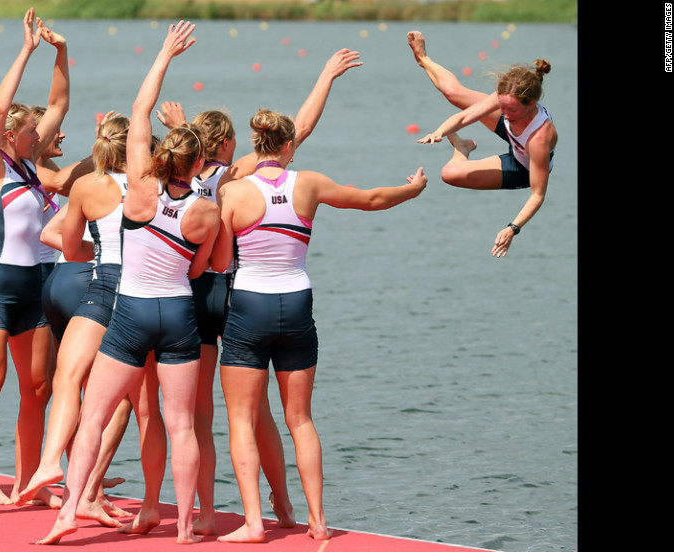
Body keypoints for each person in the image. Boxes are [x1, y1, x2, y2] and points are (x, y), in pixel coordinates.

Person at [154, 47, 364, 534]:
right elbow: (298, 132)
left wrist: (177, 127)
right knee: (262, 412)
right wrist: (326, 77)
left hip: (189, 294)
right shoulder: (237, 175)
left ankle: (206, 513)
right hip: (232, 294)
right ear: (227, 143)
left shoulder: (184, 172)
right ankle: (286, 508)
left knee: (203, 413)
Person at [37, 20, 219, 545]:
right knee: (181, 424)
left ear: (161, 158)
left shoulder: (137, 192)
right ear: (201, 163)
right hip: (179, 314)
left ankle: (69, 513)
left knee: (92, 417)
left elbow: (139, 114)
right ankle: (185, 526)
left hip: (132, 313)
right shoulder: (207, 210)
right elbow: (199, 269)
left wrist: (164, 54)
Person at [212, 108, 427, 542]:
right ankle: (318, 520)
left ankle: (254, 523)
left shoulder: (232, 192)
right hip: (296, 304)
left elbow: (219, 263)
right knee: (301, 419)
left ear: (257, 146)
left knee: (241, 418)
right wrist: (413, 189)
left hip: (249, 305)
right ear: (289, 146)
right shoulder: (308, 183)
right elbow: (369, 200)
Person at [0, 9, 71, 520]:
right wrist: (25, 51)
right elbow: (0, 107)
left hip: (34, 287)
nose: (37, 135)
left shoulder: (31, 165)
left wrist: (61, 53)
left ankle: (29, 481)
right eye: (28, 131)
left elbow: (60, 103)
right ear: (10, 135)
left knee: (38, 388)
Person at [407, 30, 558, 257]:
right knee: (453, 93)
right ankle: (424, 60)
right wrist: (439, 132)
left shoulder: (539, 138)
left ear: (531, 104)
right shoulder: (509, 101)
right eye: (502, 106)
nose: (504, 115)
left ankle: (462, 148)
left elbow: (538, 195)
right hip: (517, 136)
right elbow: (465, 117)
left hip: (523, 166)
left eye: (511, 110)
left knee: (450, 173)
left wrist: (512, 228)